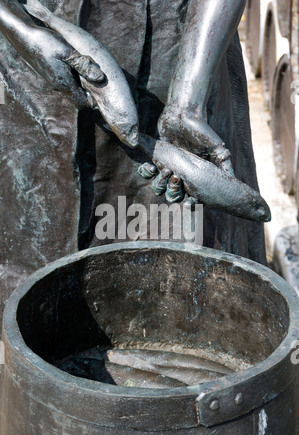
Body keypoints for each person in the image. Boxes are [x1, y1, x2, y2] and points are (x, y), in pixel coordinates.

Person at [0, 0, 267, 318]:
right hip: (33, 65)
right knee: (34, 297)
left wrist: (189, 99)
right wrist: (17, 25)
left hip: (186, 55)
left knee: (186, 299)